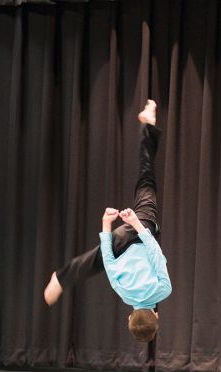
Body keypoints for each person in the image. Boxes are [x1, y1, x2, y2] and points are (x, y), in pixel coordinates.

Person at [44, 100, 172, 342]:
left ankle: (149, 125)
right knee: (96, 260)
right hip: (118, 241)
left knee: (146, 178)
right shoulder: (124, 295)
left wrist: (135, 223)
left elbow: (156, 254)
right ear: (128, 318)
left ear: (157, 317)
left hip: (141, 229)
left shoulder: (163, 290)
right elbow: (109, 262)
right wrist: (106, 224)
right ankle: (62, 277)